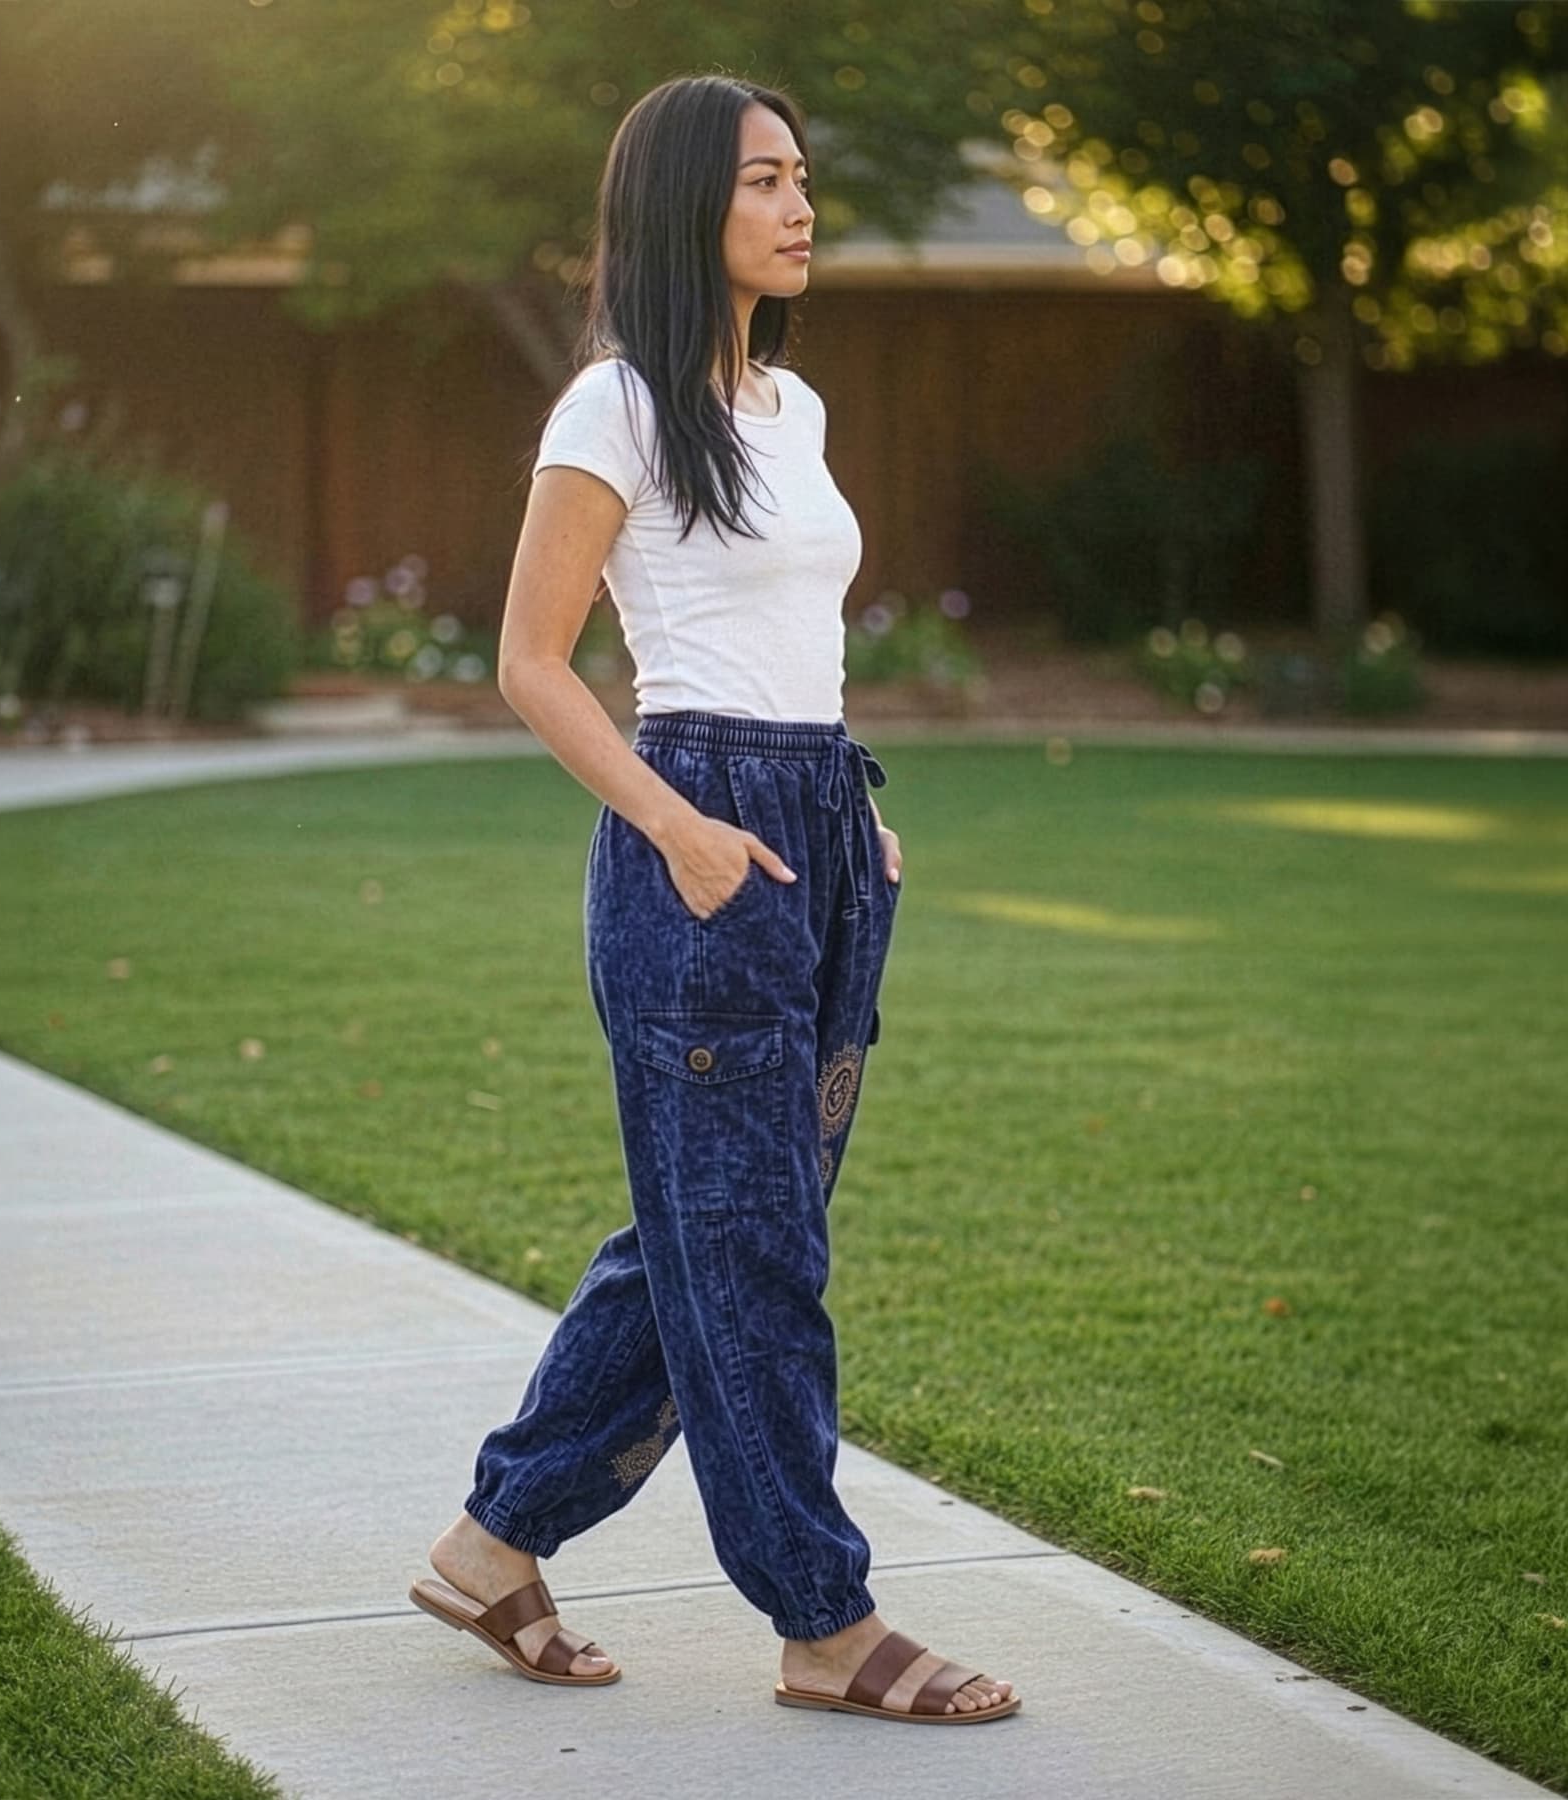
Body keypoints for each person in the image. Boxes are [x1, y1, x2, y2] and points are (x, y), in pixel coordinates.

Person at [409, 73, 1020, 1727]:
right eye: (765, 180)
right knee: (748, 1252)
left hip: (817, 828)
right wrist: (685, 829)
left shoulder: (790, 414)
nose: (800, 204)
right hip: (700, 846)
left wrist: (843, 805)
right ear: (692, 206)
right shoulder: (612, 407)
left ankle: (492, 1545)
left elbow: (788, 637)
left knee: (721, 1231)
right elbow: (531, 664)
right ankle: (822, 1622)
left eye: (804, 176)